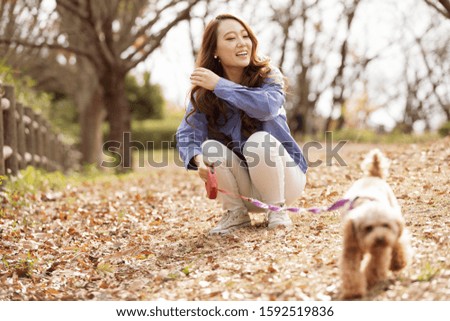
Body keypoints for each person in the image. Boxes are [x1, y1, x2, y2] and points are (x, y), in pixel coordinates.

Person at [176, 13, 308, 235]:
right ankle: (236, 214)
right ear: (215, 50)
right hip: (243, 189)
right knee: (209, 149)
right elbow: (187, 135)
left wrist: (220, 85)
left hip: (286, 181)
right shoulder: (204, 92)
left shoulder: (268, 75)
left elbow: (266, 108)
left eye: (245, 36)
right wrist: (198, 161)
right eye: (230, 38)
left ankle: (277, 210)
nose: (241, 42)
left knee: (259, 142)